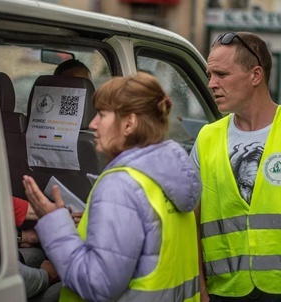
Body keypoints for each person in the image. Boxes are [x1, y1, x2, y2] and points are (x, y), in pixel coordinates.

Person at [22, 72, 202, 301]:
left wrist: (55, 225)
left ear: (129, 123)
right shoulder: (169, 178)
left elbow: (98, 286)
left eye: (102, 115)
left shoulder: (120, 186)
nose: (92, 123)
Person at [191, 31, 281, 302]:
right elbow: (193, 223)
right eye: (210, 74)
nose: (211, 83)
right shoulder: (206, 138)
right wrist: (200, 289)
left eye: (221, 75)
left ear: (256, 75)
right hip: (225, 292)